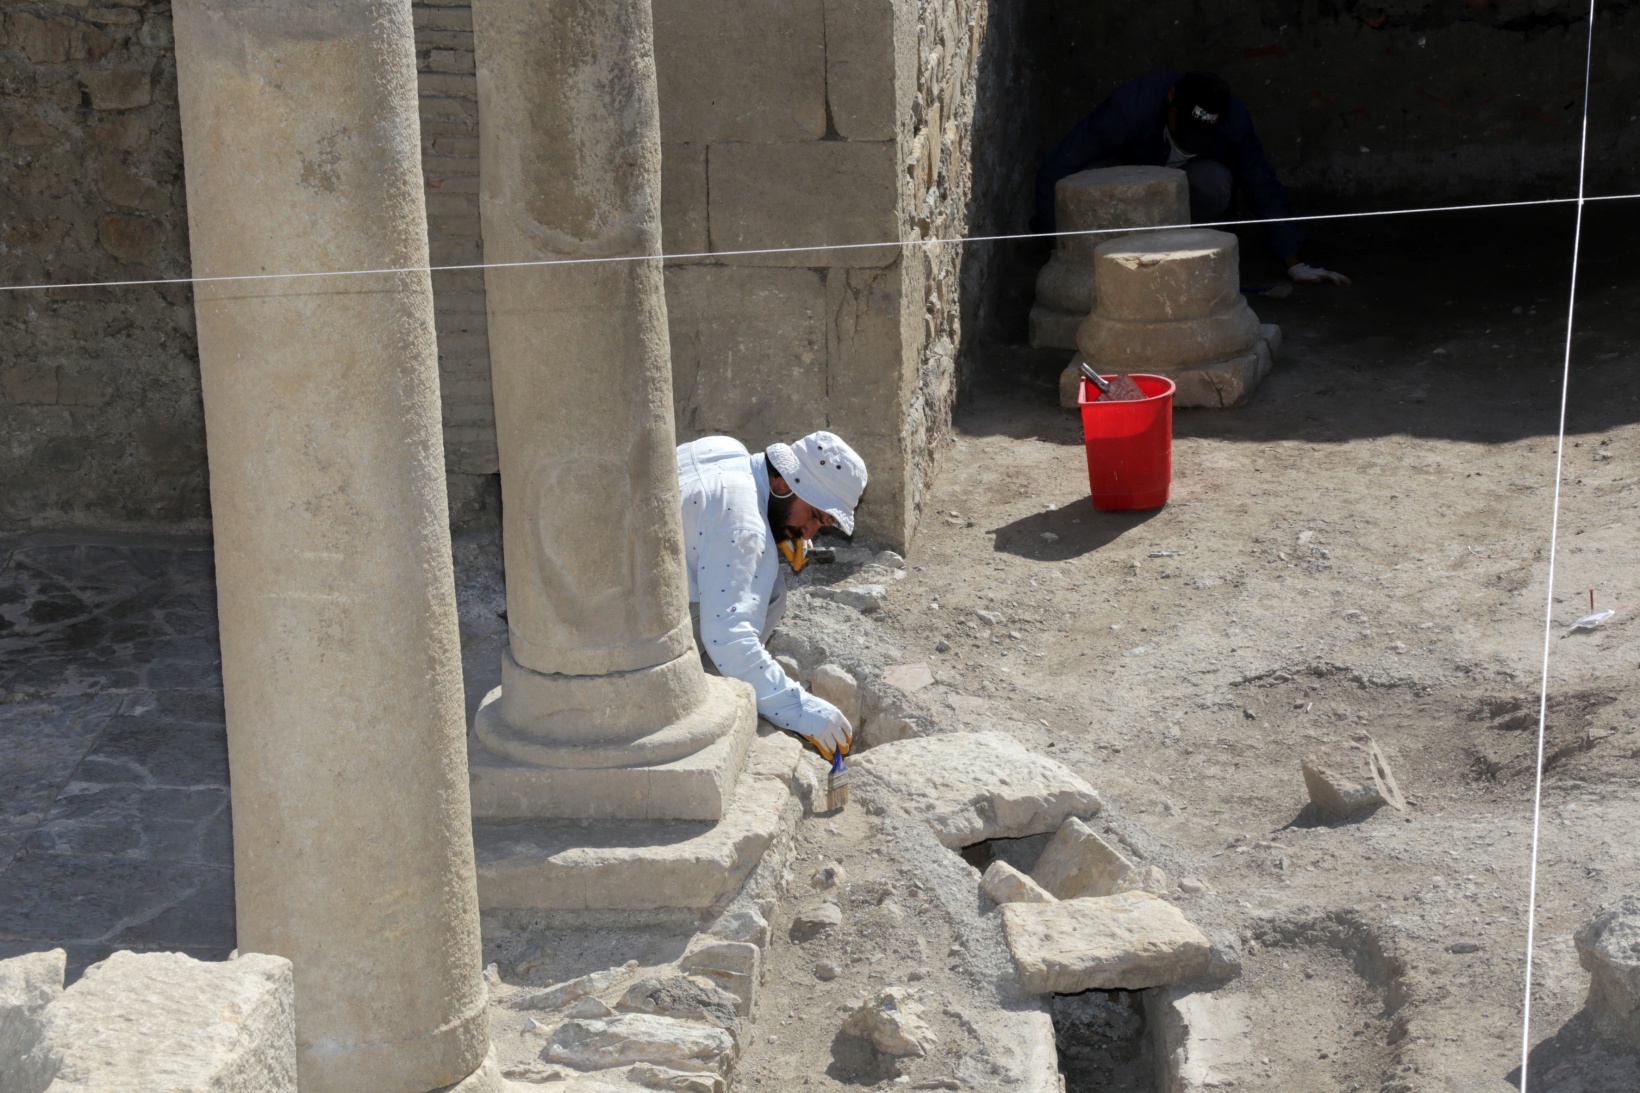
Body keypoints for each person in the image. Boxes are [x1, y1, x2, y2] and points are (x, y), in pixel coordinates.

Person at [1033, 70, 1350, 285]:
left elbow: (1261, 184)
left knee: (1216, 182)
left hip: (1185, 193)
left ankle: (1176, 257)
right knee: (1089, 178)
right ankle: (1109, 260)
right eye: (1185, 127)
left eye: (1202, 133)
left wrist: (1294, 263)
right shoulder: (1130, 109)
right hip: (1128, 184)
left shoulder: (1233, 122)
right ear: (1171, 97)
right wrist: (1056, 251)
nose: (1190, 140)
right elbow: (1059, 168)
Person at [677, 430, 868, 760]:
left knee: (770, 585)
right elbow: (729, 637)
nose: (809, 533)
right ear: (782, 484)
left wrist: (779, 529)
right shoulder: (744, 526)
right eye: (814, 517)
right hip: (623, 626)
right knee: (763, 594)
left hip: (617, 575)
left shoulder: (724, 449)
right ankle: (697, 702)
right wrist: (801, 710)